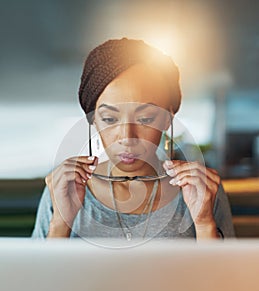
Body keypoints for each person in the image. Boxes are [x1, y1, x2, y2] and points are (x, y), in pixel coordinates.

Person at [32, 38, 235, 241]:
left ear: (168, 118)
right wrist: (60, 223)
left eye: (145, 119)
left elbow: (226, 273)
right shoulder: (62, 188)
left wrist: (204, 223)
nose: (128, 138)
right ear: (93, 119)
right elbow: (38, 273)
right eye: (110, 119)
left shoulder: (203, 190)